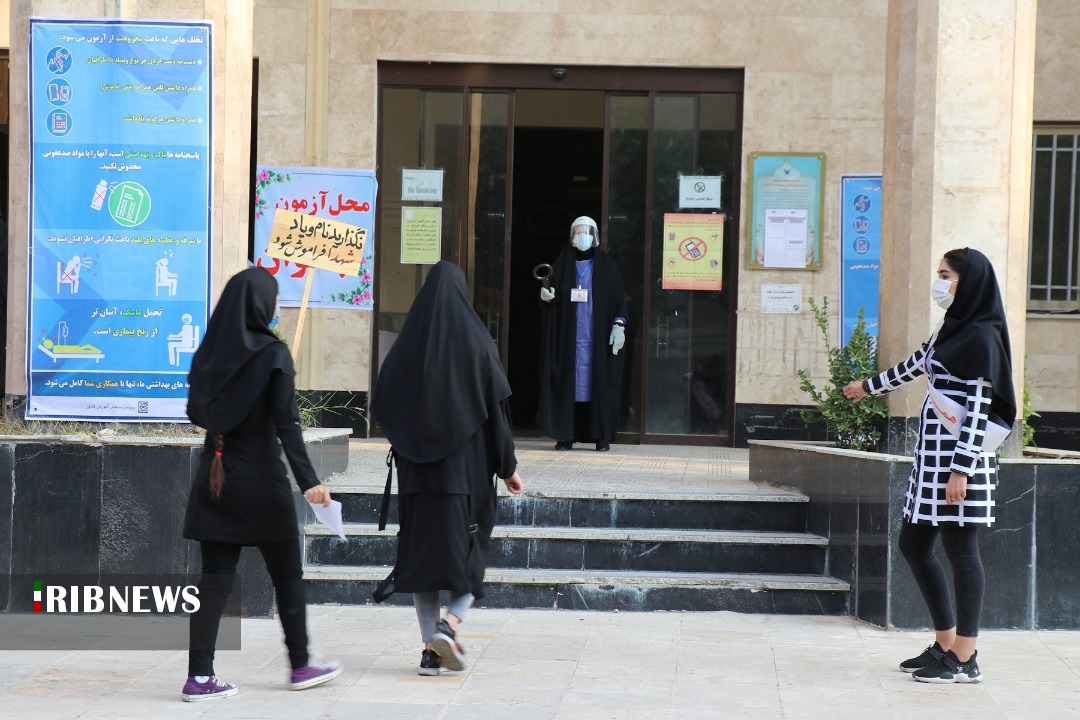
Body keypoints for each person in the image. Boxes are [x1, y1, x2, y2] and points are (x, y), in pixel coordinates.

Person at [843, 247, 1015, 684]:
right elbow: (916, 364)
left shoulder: (982, 336)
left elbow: (979, 409)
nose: (938, 283)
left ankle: (966, 657)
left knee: (962, 553)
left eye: (945, 275)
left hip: (960, 464)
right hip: (931, 461)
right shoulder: (950, 328)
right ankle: (945, 643)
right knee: (914, 545)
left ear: (968, 282)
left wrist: (961, 469)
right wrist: (868, 386)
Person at [181, 267, 341, 701]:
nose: (277, 307)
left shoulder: (206, 356)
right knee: (287, 575)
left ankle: (199, 677)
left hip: (215, 478)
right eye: (274, 299)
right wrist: (310, 482)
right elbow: (288, 425)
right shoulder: (273, 354)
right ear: (261, 306)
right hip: (263, 483)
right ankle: (301, 665)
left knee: (214, 579)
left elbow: (195, 412)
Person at [371, 261, 524, 676]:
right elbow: (496, 414)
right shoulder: (477, 342)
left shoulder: (406, 346)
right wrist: (507, 466)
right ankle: (450, 626)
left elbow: (383, 403)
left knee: (422, 561)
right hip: (465, 478)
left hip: (417, 480)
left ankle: (429, 651)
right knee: (470, 554)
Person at [536, 216, 627, 451]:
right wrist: (546, 298)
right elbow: (550, 297)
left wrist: (619, 325)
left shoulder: (608, 267)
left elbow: (620, 301)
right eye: (578, 232)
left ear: (594, 236)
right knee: (568, 385)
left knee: (599, 384)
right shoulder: (560, 267)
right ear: (571, 237)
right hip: (569, 340)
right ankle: (566, 435)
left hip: (598, 341)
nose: (582, 236)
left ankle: (600, 436)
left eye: (586, 232)